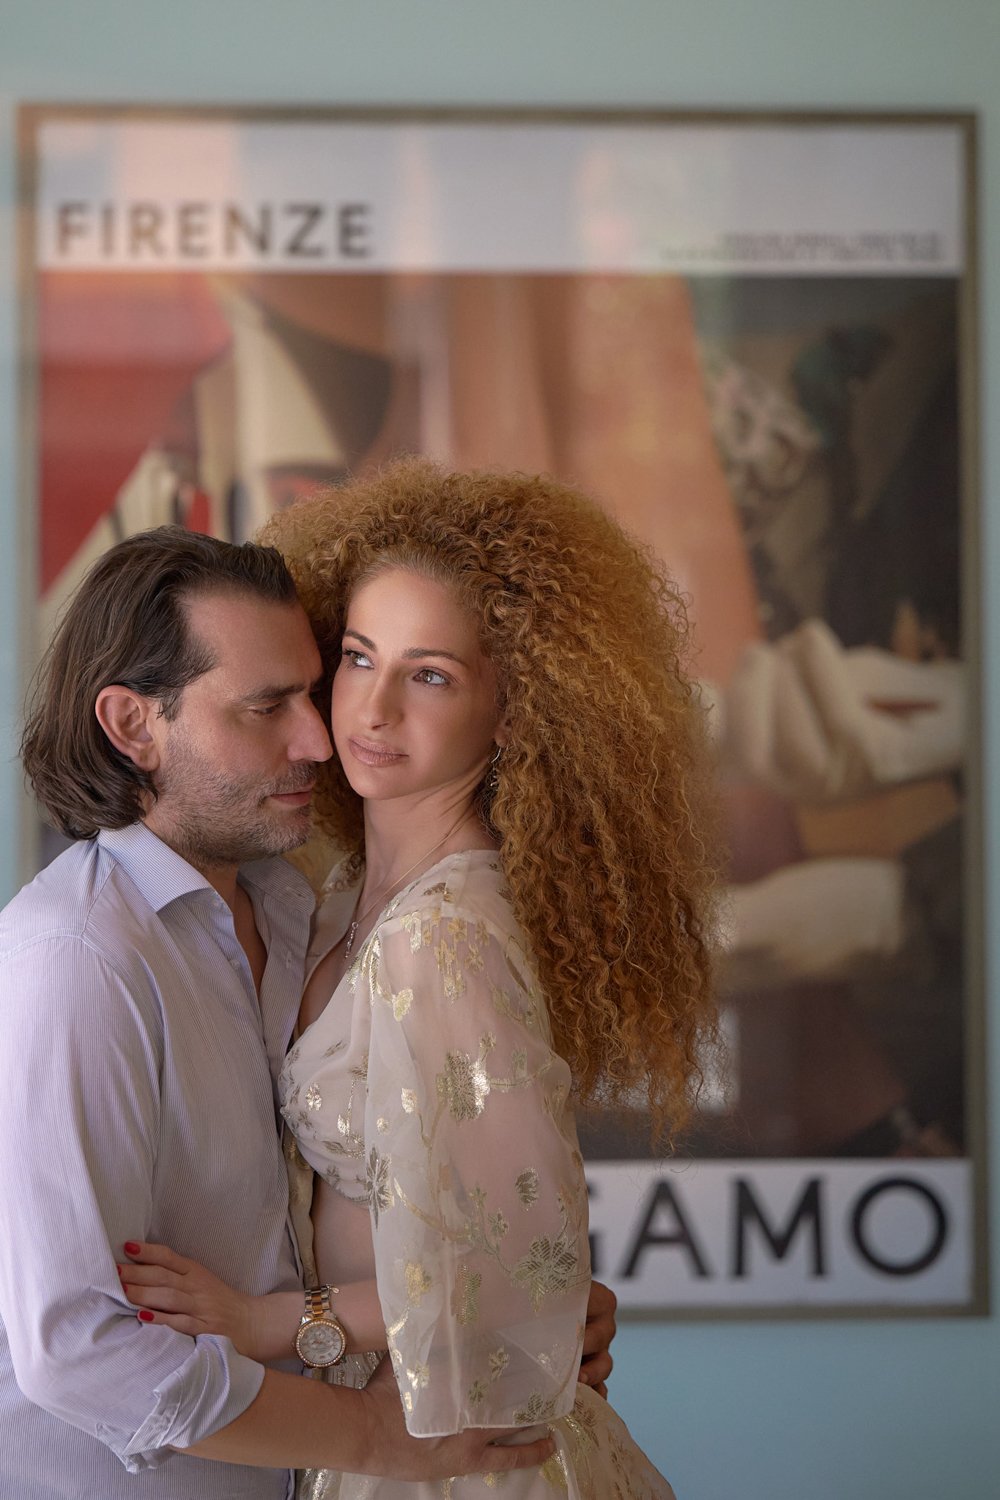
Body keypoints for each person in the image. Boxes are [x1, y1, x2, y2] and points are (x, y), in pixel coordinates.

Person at [119, 459, 719, 1498]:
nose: (375, 707)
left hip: (455, 1455)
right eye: (358, 657)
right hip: (389, 1424)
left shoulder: (441, 939)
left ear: (516, 709)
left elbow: (508, 1273)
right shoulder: (338, 892)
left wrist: (268, 1322)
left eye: (430, 675)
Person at [0, 526, 578, 1498]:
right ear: (134, 725)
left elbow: (421, 1212)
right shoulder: (77, 959)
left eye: (313, 690)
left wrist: (512, 1314)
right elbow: (79, 1348)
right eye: (267, 707)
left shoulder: (296, 905)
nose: (319, 739)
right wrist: (373, 1435)